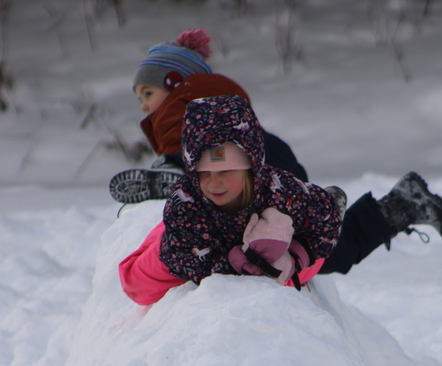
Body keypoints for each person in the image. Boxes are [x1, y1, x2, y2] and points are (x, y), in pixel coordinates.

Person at [112, 29, 442, 278]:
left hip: (262, 179)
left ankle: (175, 173)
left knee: (321, 251)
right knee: (330, 251)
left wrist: (180, 170)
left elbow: (206, 152)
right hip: (273, 165)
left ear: (174, 82)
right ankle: (397, 206)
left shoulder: (185, 107)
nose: (143, 105)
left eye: (147, 92)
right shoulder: (224, 105)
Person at [119, 95, 342, 307]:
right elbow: (185, 259)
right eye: (203, 173)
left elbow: (326, 222)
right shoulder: (187, 205)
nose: (214, 183)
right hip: (197, 240)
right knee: (136, 283)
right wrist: (234, 264)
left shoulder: (279, 190)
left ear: (251, 167)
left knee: (292, 267)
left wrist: (293, 256)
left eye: (225, 171)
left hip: (254, 230)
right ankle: (163, 231)